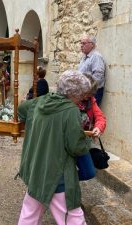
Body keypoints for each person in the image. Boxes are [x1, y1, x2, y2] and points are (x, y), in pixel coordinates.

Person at [17, 70, 91, 225]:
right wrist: (87, 140)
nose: (83, 97)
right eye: (82, 94)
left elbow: (22, 109)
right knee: (73, 216)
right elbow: (76, 147)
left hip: (36, 170)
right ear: (74, 93)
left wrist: (32, 122)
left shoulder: (40, 101)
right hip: (57, 174)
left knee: (29, 214)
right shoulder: (71, 110)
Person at [76, 74, 106, 181]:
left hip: (82, 143)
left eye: (90, 94)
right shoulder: (69, 99)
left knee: (88, 172)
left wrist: (98, 127)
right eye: (87, 94)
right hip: (66, 143)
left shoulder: (91, 101)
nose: (87, 97)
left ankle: (67, 181)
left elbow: (100, 117)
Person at [78, 36, 105, 106]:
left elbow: (98, 76)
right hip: (84, 92)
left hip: (92, 93)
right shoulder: (85, 57)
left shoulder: (96, 56)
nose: (81, 46)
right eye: (81, 43)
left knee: (90, 115)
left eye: (84, 43)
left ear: (92, 44)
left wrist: (88, 91)